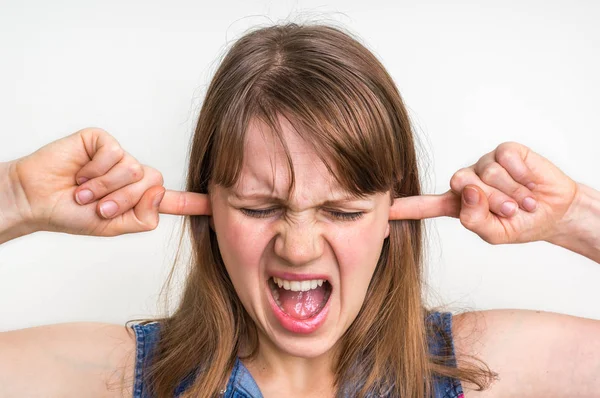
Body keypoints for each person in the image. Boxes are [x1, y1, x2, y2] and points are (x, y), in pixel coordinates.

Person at [0, 22, 599, 398]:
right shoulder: (115, 374)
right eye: (261, 207)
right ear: (208, 209)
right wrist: (16, 199)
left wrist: (576, 216)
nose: (300, 244)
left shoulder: (475, 367)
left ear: (396, 214)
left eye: (341, 211)